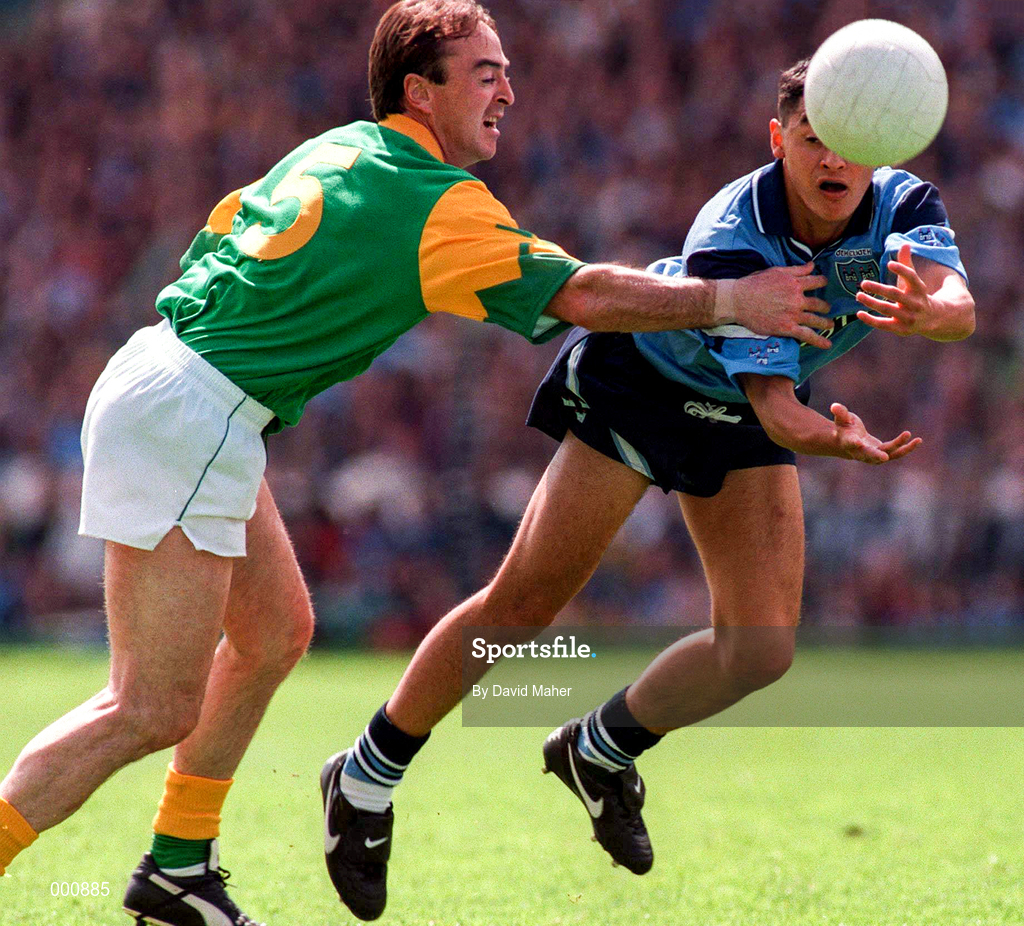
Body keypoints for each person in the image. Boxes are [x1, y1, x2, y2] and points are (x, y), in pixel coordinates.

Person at [0, 2, 832, 924]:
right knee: (149, 705)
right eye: (485, 73)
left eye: (506, 70)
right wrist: (730, 299)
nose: (507, 91)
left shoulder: (343, 146)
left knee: (275, 633)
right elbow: (587, 294)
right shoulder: (436, 202)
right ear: (419, 91)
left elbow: (220, 231)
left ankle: (177, 867)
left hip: (171, 378)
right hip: (193, 411)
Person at [322, 56, 976, 919]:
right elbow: (777, 409)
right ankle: (366, 776)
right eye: (812, 139)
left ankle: (599, 749)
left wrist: (940, 312)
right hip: (648, 382)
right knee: (523, 604)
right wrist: (834, 442)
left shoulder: (905, 200)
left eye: (851, 143)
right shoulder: (735, 227)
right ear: (780, 140)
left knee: (761, 650)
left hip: (740, 407)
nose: (834, 161)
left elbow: (958, 300)